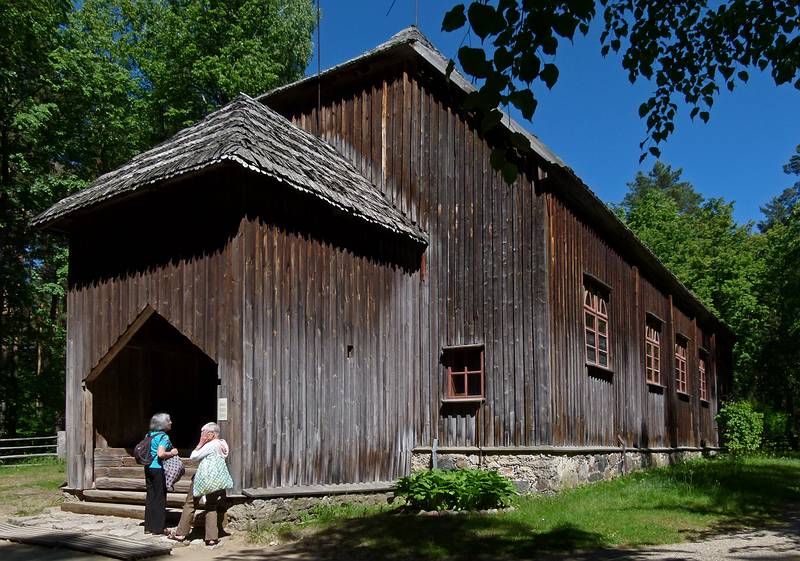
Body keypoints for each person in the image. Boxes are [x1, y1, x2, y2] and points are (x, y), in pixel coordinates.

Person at [167, 422, 229, 546]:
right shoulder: (223, 444)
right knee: (211, 505)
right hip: (216, 478)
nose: (202, 435)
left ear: (211, 434)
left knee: (190, 503)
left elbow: (193, 456)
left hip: (203, 477)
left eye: (204, 433)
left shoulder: (211, 445)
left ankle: (181, 534)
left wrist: (200, 443)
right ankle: (212, 538)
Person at [143, 412, 179, 535]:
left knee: (150, 496)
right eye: (169, 420)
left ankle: (148, 527)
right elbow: (161, 454)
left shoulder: (148, 435)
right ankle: (158, 528)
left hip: (148, 468)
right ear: (163, 424)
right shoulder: (164, 437)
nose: (171, 422)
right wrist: (172, 453)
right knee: (160, 498)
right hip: (158, 468)